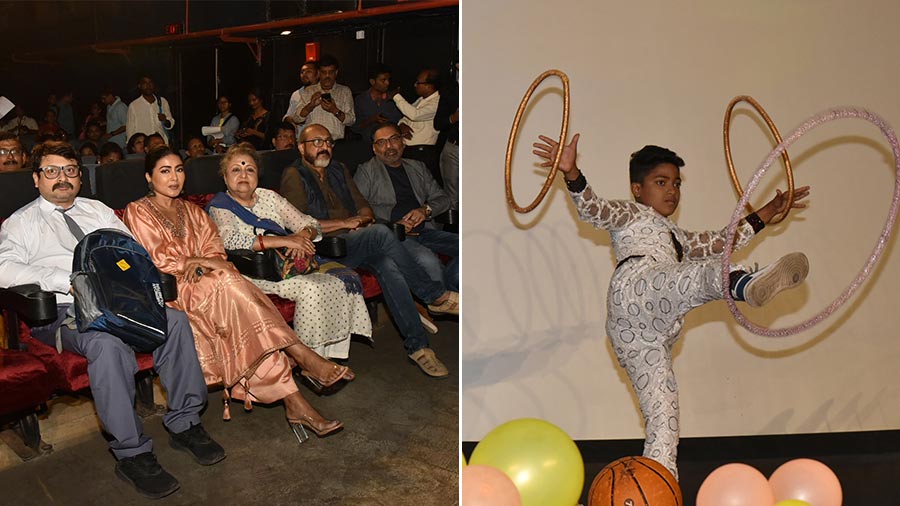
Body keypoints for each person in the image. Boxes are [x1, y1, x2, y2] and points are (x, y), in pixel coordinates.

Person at [532, 134, 812, 479]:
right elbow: (594, 209)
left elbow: (720, 241)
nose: (672, 191)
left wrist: (766, 212)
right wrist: (572, 173)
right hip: (635, 290)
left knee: (663, 417)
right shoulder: (630, 213)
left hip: (649, 338)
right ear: (637, 188)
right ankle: (741, 283)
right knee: (697, 277)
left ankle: (659, 485)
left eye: (677, 184)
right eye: (661, 182)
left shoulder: (679, 237)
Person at [0, 141, 225, 499]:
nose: (62, 178)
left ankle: (185, 422)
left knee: (176, 322)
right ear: (36, 179)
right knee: (107, 345)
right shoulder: (22, 222)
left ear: (81, 176)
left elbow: (133, 252)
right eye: (52, 171)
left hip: (123, 304)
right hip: (67, 312)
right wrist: (67, 282)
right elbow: (5, 269)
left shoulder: (98, 211)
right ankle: (132, 451)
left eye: (71, 170)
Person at [123, 146, 353, 445]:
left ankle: (296, 403)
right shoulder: (137, 210)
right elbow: (156, 258)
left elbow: (215, 250)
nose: (174, 177)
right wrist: (192, 262)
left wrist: (203, 262)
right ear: (149, 177)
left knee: (233, 294)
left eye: (179, 169)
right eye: (165, 171)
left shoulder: (193, 210)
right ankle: (299, 352)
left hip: (213, 282)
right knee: (230, 280)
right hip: (174, 289)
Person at [281, 124, 459, 378]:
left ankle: (418, 347)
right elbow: (297, 222)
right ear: (301, 147)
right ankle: (433, 295)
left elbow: (364, 208)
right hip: (325, 248)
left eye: (328, 142)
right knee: (381, 233)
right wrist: (346, 223)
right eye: (317, 142)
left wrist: (360, 222)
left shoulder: (339, 169)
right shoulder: (294, 174)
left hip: (354, 240)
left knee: (388, 265)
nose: (325, 147)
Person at [207, 144, 372, 359]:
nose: (243, 175)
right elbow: (231, 239)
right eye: (236, 170)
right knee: (312, 288)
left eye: (250, 169)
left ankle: (328, 355)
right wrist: (286, 241)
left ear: (258, 175)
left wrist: (302, 239)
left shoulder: (270, 198)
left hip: (287, 264)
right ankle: (308, 358)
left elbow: (309, 223)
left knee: (338, 281)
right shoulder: (220, 206)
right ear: (225, 177)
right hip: (253, 272)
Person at [355, 123, 458, 293]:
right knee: (429, 262)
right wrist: (394, 225)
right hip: (395, 236)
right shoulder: (367, 171)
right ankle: (443, 302)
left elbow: (443, 198)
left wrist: (425, 210)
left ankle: (451, 291)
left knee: (470, 248)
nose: (389, 146)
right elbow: (360, 209)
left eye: (393, 139)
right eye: (381, 142)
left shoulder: (418, 167)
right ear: (374, 149)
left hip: (425, 230)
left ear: (402, 142)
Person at [290, 54, 355, 141]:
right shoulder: (308, 91)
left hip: (335, 141)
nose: (327, 76)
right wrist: (311, 105)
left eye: (331, 72)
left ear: (336, 73)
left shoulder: (345, 91)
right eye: (324, 72)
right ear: (319, 73)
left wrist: (334, 110)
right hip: (313, 141)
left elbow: (351, 120)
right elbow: (297, 119)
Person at [353, 63, 403, 142]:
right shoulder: (361, 100)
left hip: (391, 142)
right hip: (368, 143)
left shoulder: (393, 98)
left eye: (388, 79)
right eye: (383, 80)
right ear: (372, 81)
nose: (387, 83)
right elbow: (355, 127)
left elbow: (400, 120)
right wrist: (372, 119)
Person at [434, 60, 459, 210]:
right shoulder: (450, 90)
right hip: (454, 147)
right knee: (452, 196)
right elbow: (438, 123)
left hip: (480, 149)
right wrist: (453, 118)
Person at [126, 75, 175, 145]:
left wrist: (165, 120)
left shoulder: (162, 101)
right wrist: (132, 147)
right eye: (144, 83)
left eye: (150, 82)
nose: (148, 85)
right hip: (145, 146)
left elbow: (171, 124)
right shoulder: (134, 106)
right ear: (140, 86)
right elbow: (130, 130)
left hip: (161, 144)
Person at [284, 60, 319, 141]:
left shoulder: (324, 92)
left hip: (317, 137)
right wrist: (289, 120)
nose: (304, 74)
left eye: (308, 71)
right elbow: (288, 115)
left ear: (318, 74)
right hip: (300, 138)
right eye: (302, 72)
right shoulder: (296, 94)